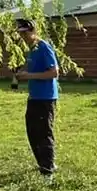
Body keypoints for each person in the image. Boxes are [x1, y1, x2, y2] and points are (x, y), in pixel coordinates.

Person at [13, 18, 59, 179]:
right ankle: (43, 164)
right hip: (34, 97)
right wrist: (22, 73)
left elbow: (54, 73)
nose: (23, 37)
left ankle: (48, 171)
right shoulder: (32, 50)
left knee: (43, 132)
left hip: (46, 98)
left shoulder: (43, 47)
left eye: (25, 33)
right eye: (21, 34)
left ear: (33, 31)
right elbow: (32, 68)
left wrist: (29, 75)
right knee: (32, 132)